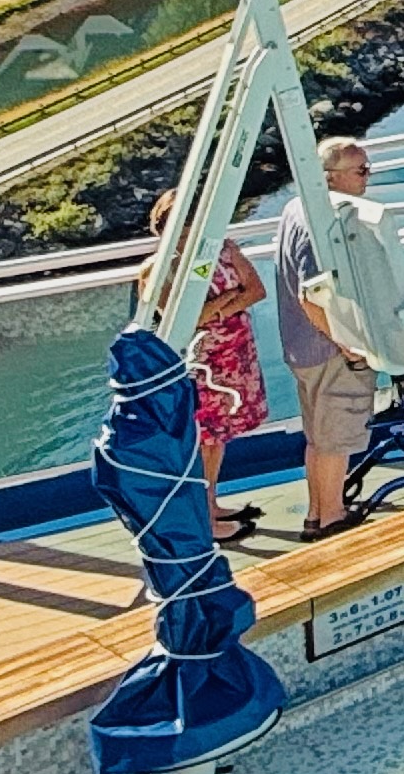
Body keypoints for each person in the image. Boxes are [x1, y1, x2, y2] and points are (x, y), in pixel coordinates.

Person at [272, 135, 385, 538]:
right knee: (337, 438)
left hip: (299, 347)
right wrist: (347, 345)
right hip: (326, 350)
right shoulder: (325, 224)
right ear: (332, 178)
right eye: (361, 170)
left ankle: (317, 513)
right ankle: (333, 519)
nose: (367, 178)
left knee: (318, 437)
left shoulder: (293, 209)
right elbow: (311, 296)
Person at [151, 188, 269, 542]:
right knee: (204, 437)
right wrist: (229, 301)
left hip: (234, 354)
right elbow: (184, 321)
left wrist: (218, 307)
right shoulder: (159, 270)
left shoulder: (223, 249)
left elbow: (256, 290)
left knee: (219, 437)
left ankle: (210, 502)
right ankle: (202, 517)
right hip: (201, 362)